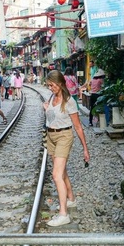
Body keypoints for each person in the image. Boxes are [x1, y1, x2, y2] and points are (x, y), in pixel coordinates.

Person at [43, 70, 90, 227]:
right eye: (48, 85)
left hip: (64, 136)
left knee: (56, 175)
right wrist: (46, 109)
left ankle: (63, 214)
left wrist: (85, 149)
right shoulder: (51, 97)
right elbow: (51, 117)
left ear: (60, 83)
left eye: (52, 85)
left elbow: (78, 127)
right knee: (62, 172)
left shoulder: (69, 102)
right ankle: (71, 199)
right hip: (51, 137)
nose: (50, 88)